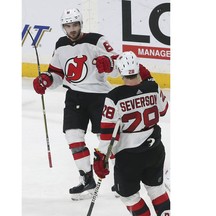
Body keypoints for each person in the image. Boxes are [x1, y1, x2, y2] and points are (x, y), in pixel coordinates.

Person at [32, 8, 121, 200]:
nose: (71, 29)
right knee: (73, 136)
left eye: (75, 25)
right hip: (74, 97)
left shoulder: (97, 40)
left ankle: (121, 178)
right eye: (67, 26)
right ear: (63, 27)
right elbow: (57, 74)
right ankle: (86, 178)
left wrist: (109, 64)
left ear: (81, 24)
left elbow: (117, 65)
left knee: (106, 139)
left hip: (100, 96)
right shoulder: (61, 44)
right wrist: (46, 79)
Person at [93, 51, 170, 215]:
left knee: (129, 197)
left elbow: (107, 133)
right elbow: (164, 110)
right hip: (155, 149)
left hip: (129, 156)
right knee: (157, 191)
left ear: (120, 72)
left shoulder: (114, 97)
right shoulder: (153, 87)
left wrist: (101, 157)